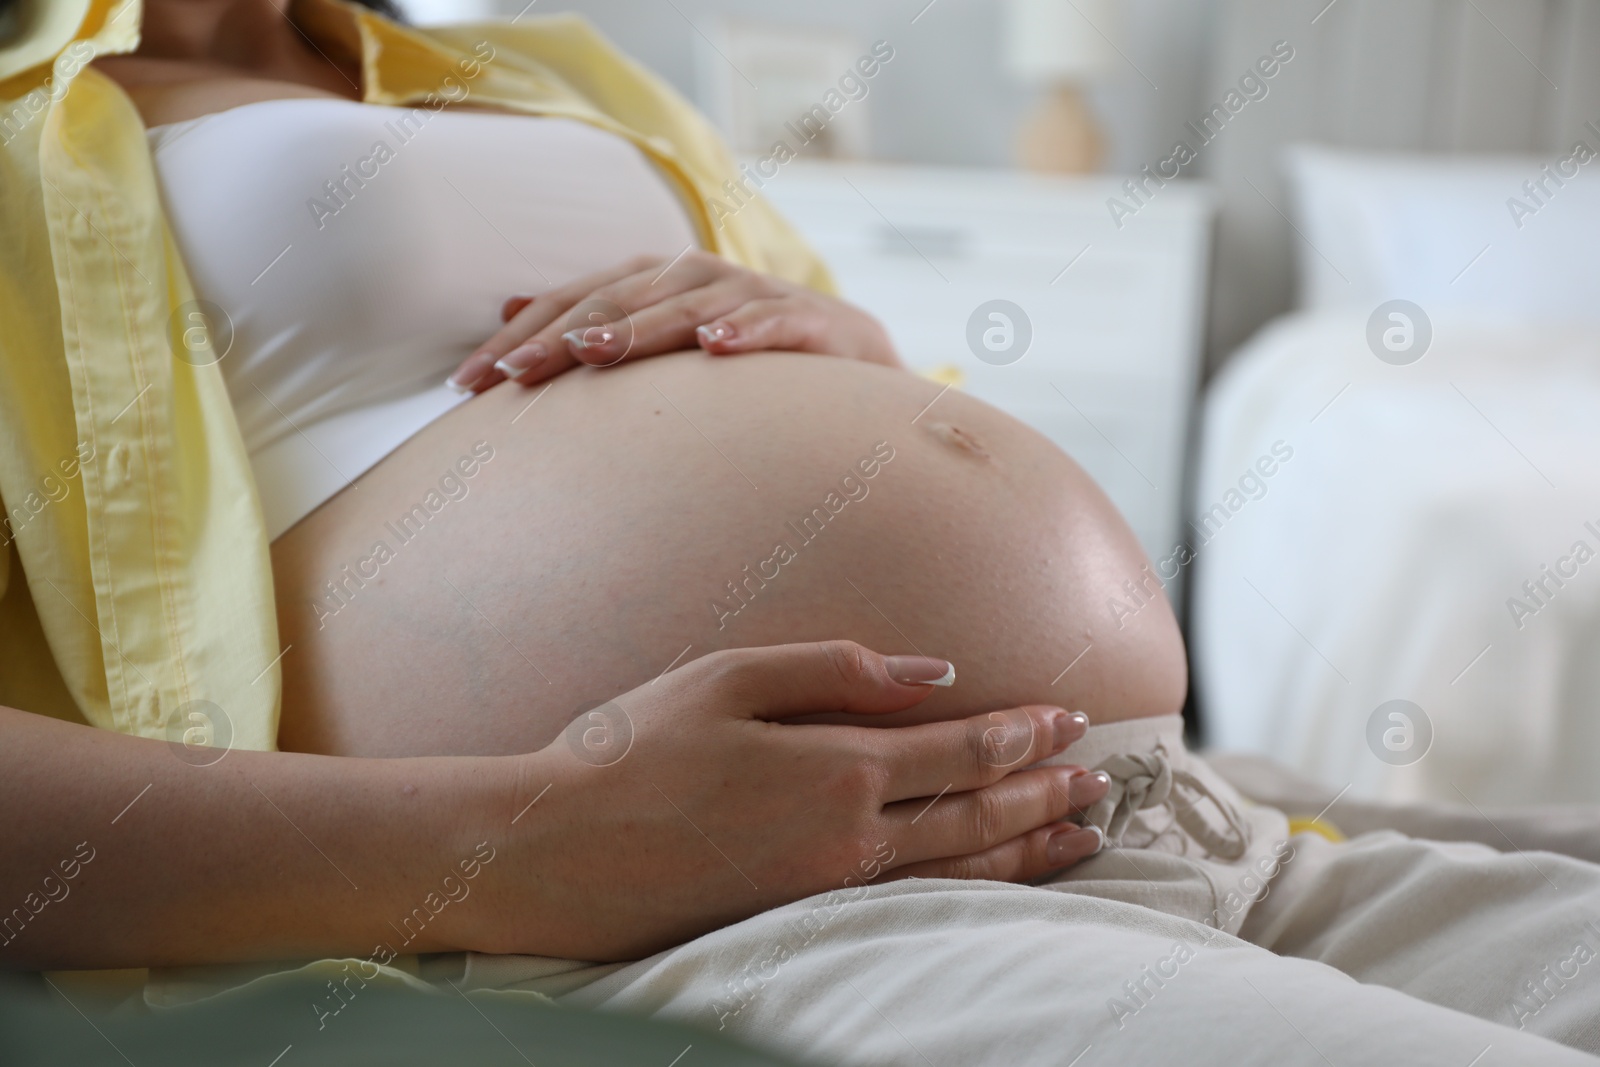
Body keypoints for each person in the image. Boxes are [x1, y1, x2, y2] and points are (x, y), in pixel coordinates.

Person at [4, 4, 1600, 1065]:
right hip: (735, 908)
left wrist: (846, 346)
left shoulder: (560, 75)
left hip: (1162, 816)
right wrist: (530, 843)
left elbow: (796, 403)